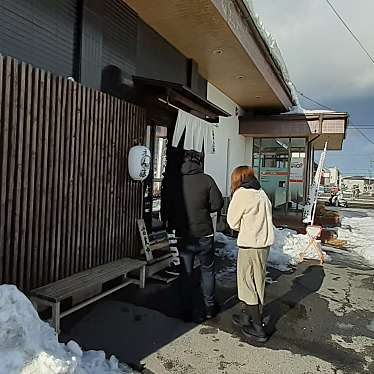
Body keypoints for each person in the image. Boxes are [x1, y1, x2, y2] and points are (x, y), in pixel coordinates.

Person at [164, 150, 223, 322]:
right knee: (207, 270)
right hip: (204, 233)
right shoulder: (206, 179)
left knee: (186, 272)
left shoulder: (175, 182)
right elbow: (217, 204)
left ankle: (185, 310)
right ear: (199, 162)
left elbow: (167, 206)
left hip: (183, 235)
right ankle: (210, 307)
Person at [227, 166, 274, 342]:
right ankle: (246, 316)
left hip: (249, 245)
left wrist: (244, 228)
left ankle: (257, 327)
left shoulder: (242, 194)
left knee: (247, 284)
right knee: (258, 282)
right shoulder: (261, 192)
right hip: (264, 246)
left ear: (238, 178)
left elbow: (232, 222)